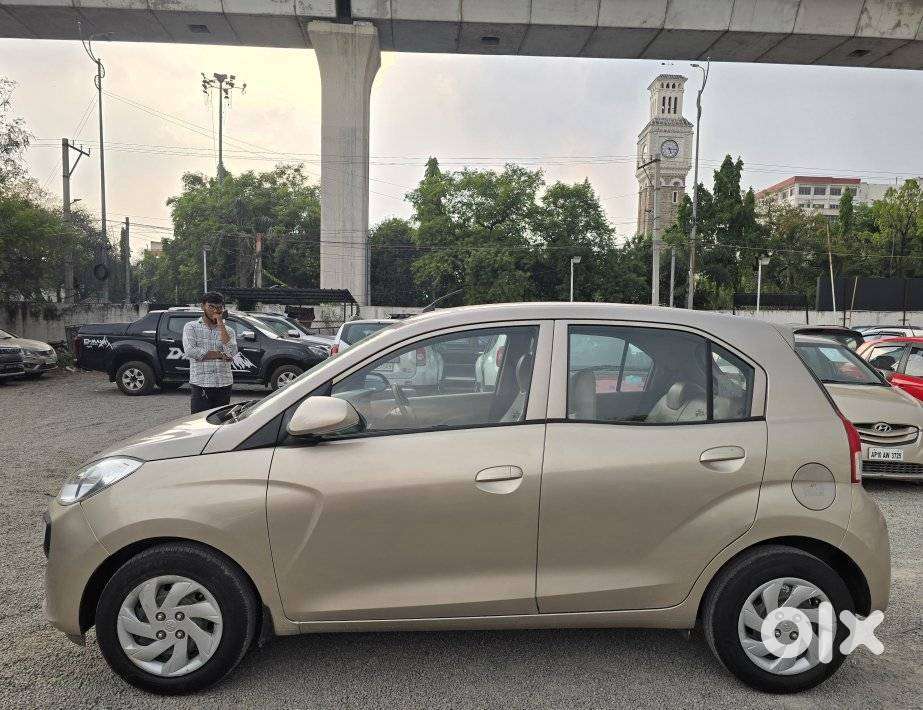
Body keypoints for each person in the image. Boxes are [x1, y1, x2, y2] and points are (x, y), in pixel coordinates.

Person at [182, 292, 238, 414]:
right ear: (203, 307)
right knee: (199, 420)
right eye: (211, 307)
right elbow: (191, 351)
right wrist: (219, 354)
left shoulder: (229, 331)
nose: (215, 311)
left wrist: (220, 323)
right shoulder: (191, 327)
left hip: (224, 383)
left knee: (221, 420)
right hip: (201, 383)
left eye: (219, 307)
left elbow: (232, 352)